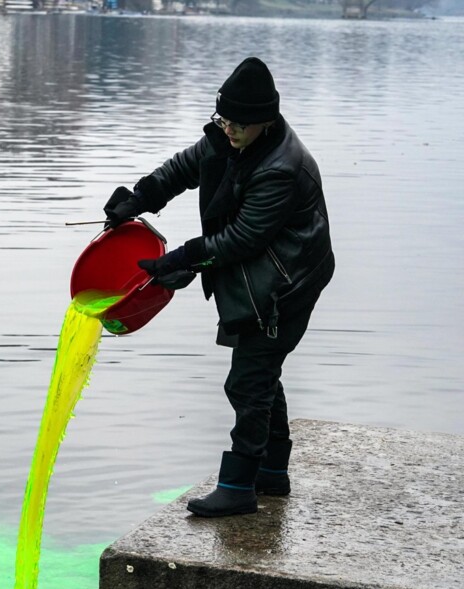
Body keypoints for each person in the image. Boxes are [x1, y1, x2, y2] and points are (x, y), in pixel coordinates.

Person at [103, 57, 335, 518]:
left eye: (239, 124)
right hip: (262, 275)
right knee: (261, 373)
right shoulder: (228, 138)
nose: (228, 129)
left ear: (265, 123)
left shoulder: (281, 167)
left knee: (248, 381)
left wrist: (181, 259)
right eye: (222, 119)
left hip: (287, 283)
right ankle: (271, 473)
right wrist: (139, 198)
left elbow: (245, 238)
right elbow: (183, 168)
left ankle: (238, 487)